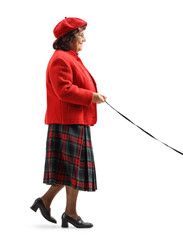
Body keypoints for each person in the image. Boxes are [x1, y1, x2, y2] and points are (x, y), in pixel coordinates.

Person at [30, 17, 106, 228]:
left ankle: (51, 204)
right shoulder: (60, 59)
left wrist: (92, 95)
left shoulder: (70, 57)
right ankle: (68, 213)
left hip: (75, 120)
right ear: (70, 37)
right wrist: (91, 96)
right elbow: (64, 91)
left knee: (70, 170)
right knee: (71, 170)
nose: (84, 39)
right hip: (67, 121)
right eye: (80, 35)